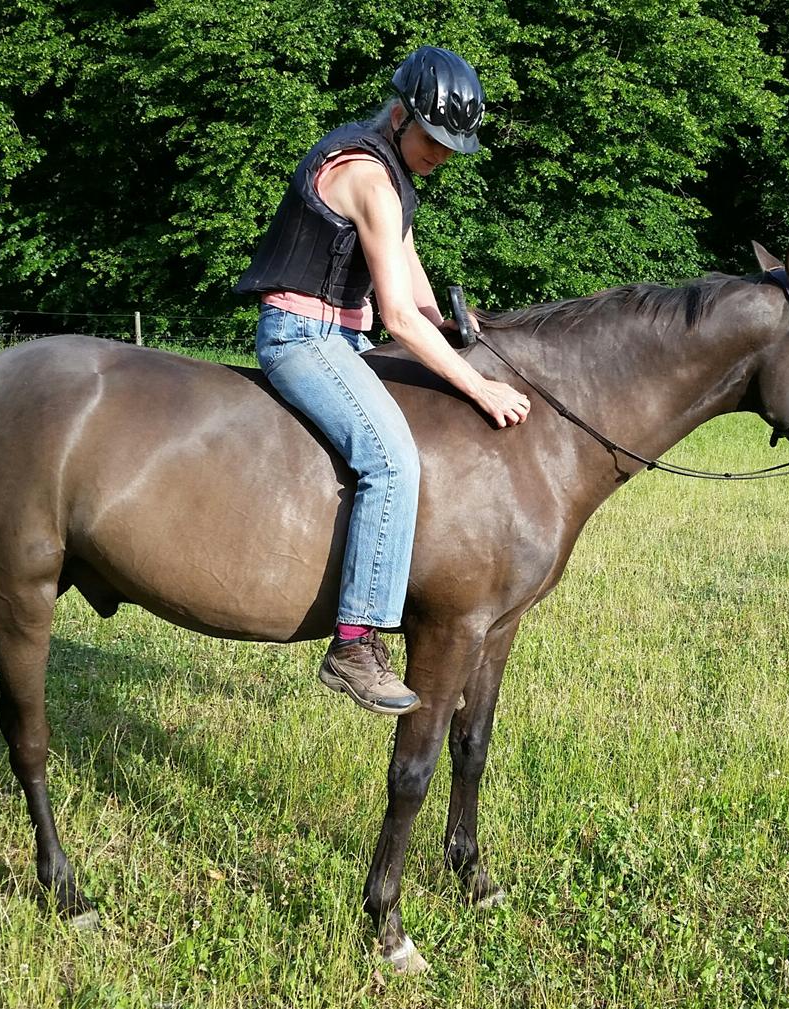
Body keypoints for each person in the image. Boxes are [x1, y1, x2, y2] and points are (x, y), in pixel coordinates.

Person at [236, 46, 531, 716]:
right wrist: (480, 388)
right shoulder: (369, 175)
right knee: (393, 461)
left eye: (454, 146)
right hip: (302, 337)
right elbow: (397, 315)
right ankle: (353, 643)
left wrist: (457, 335)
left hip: (343, 335)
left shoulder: (392, 174)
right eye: (435, 139)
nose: (444, 155)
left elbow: (411, 282)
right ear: (400, 115)